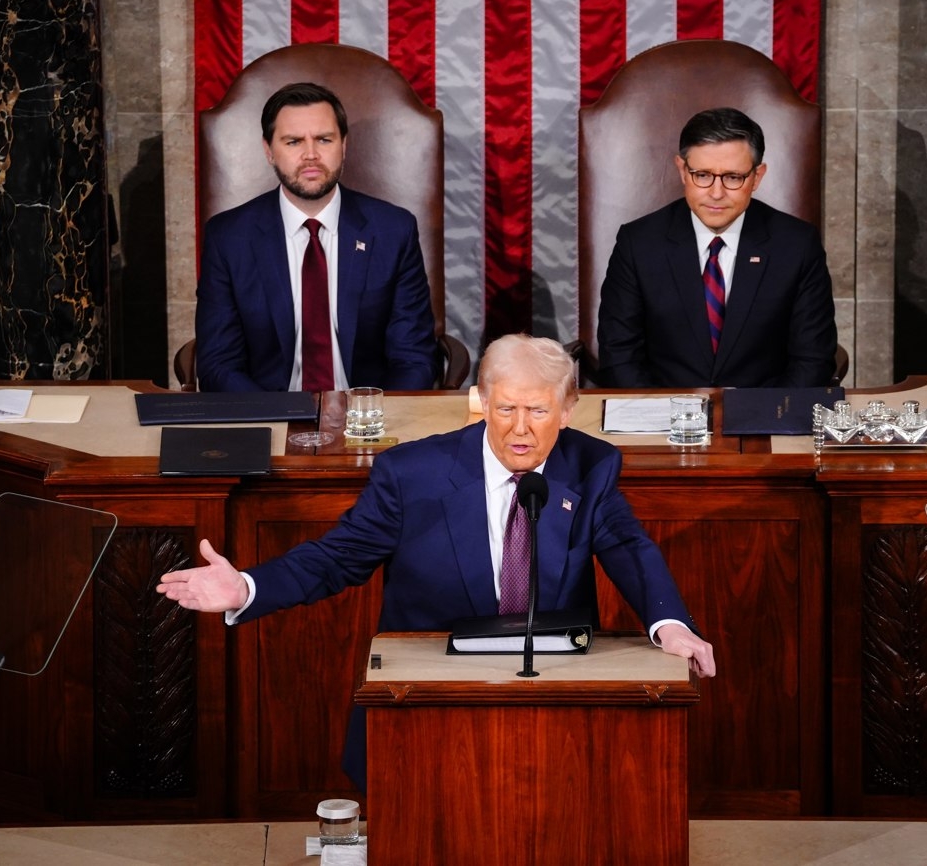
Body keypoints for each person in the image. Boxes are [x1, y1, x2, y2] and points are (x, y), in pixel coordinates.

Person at [158, 333, 716, 787]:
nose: (520, 429)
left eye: (538, 410)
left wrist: (670, 623)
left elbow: (627, 545)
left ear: (568, 409)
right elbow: (337, 558)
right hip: (429, 702)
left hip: (556, 702)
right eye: (506, 409)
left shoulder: (590, 467)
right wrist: (249, 588)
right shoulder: (411, 474)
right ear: (481, 402)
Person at [194, 82, 438, 392]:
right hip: (269, 419)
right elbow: (218, 363)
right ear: (269, 151)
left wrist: (374, 421)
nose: (311, 155)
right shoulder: (229, 237)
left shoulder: (393, 231)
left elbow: (414, 358)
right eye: (293, 142)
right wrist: (275, 419)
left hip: (369, 423)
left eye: (324, 139)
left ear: (344, 145)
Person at [596, 107, 838, 388]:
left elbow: (812, 359)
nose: (716, 192)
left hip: (763, 419)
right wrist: (659, 421)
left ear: (757, 177)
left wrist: (767, 418)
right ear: (682, 171)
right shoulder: (638, 243)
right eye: (702, 175)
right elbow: (619, 357)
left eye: (733, 177)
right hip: (661, 418)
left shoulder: (797, 245)